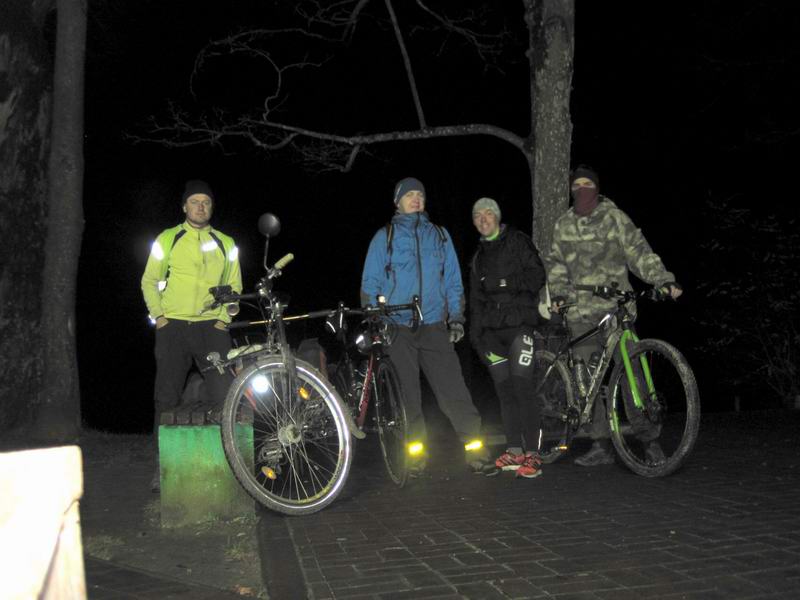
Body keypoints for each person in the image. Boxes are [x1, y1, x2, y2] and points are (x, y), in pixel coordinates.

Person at [546, 165, 682, 466]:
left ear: (596, 187)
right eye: (576, 184)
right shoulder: (563, 224)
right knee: (586, 380)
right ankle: (600, 443)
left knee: (633, 372)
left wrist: (662, 279)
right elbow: (555, 263)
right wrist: (558, 295)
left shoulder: (614, 217)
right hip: (580, 311)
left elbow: (638, 251)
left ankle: (649, 441)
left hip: (616, 308)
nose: (582, 189)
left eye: (587, 184)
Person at [360, 177, 497, 476]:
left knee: (454, 391)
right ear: (397, 201)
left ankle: (476, 451)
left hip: (434, 323)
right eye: (409, 194)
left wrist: (456, 317)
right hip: (397, 325)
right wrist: (375, 317)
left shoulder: (440, 235)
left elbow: (452, 280)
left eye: (420, 194)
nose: (416, 198)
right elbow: (370, 282)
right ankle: (415, 457)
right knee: (407, 397)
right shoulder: (385, 237)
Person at [141, 179, 242, 490]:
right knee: (166, 397)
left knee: (225, 395)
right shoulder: (168, 239)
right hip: (173, 328)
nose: (201, 206)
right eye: (195, 201)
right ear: (184, 206)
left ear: (212, 207)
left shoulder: (226, 243)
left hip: (211, 328)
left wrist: (223, 321)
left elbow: (235, 287)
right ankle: (163, 467)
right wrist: (160, 317)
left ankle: (233, 465)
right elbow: (149, 280)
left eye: (206, 202)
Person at [469, 198, 547, 478]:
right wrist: (476, 337)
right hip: (491, 335)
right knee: (505, 392)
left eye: (488, 213)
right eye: (478, 215)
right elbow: (475, 303)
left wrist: (508, 283)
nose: (483, 219)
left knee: (523, 388)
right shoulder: (478, 257)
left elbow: (538, 275)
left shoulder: (517, 241)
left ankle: (534, 456)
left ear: (497, 217)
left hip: (519, 327)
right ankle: (514, 451)